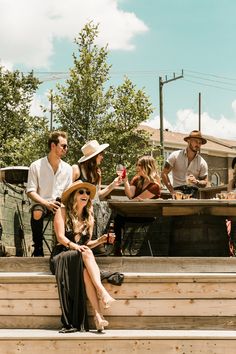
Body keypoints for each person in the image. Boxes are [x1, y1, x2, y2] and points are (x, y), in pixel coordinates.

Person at [50, 180, 116, 333]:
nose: (85, 195)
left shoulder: (89, 217)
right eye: (81, 192)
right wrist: (76, 247)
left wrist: (100, 240)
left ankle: (98, 317)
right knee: (86, 253)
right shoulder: (62, 211)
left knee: (86, 270)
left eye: (87, 193)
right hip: (62, 255)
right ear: (74, 195)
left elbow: (86, 243)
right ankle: (101, 291)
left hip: (80, 257)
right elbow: (60, 238)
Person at [26, 131, 72, 256]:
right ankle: (38, 247)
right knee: (37, 211)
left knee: (65, 210)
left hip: (61, 205)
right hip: (43, 203)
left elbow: (69, 193)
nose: (66, 149)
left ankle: (62, 247)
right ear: (53, 146)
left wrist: (63, 205)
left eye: (66, 146)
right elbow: (30, 191)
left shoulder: (68, 169)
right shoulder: (36, 165)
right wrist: (46, 203)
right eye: (63, 146)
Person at [72, 140, 122, 254]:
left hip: (93, 205)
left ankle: (105, 244)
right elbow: (69, 190)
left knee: (107, 207)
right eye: (101, 154)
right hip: (79, 206)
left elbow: (97, 195)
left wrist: (113, 184)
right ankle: (96, 244)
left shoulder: (97, 172)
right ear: (94, 157)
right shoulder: (76, 169)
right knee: (97, 206)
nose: (102, 157)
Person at [113, 155, 161, 256]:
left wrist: (131, 201)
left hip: (146, 216)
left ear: (147, 167)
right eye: (137, 164)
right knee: (118, 217)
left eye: (140, 165)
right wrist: (125, 181)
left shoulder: (154, 186)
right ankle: (117, 246)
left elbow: (134, 200)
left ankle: (118, 246)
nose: (137, 167)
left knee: (119, 217)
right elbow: (130, 196)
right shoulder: (136, 179)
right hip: (134, 212)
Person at [161, 130, 208, 198]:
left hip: (194, 194)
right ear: (188, 141)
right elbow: (164, 173)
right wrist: (171, 191)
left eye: (200, 143)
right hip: (178, 192)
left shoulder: (202, 162)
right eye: (195, 141)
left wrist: (196, 181)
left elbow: (205, 182)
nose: (198, 144)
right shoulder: (175, 155)